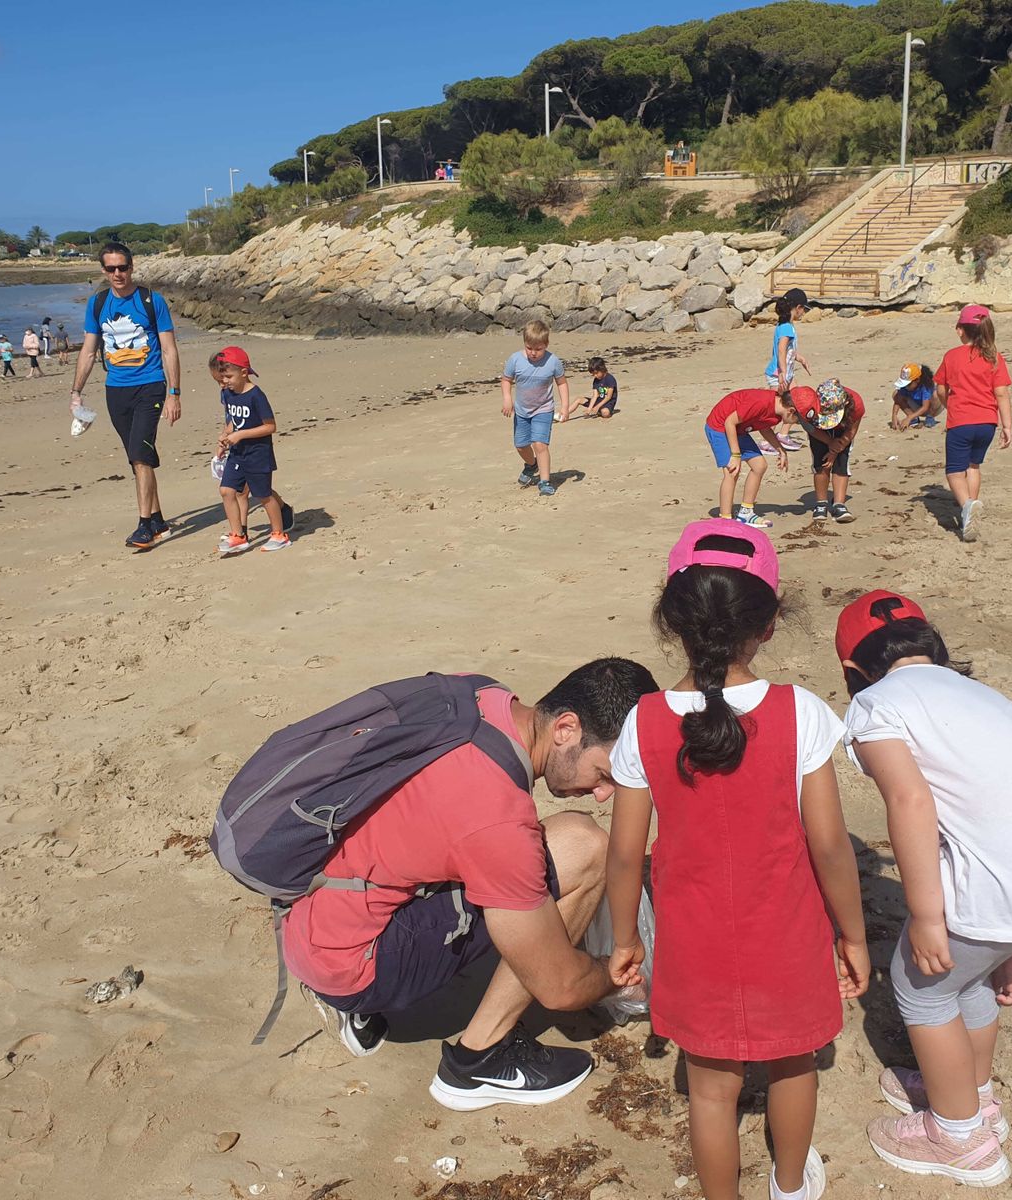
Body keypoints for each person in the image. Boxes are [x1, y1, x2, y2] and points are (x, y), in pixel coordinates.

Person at [606, 520, 869, 1200]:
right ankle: (789, 1184)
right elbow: (831, 845)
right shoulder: (800, 713)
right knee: (792, 1065)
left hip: (695, 940)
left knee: (711, 1090)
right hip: (786, 932)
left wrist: (629, 938)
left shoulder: (644, 719)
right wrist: (854, 934)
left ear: (672, 620)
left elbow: (625, 853)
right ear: (770, 622)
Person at [281, 658, 661, 1110]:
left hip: (307, 905)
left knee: (479, 859)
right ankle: (479, 1061)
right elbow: (560, 988)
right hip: (352, 965)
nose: (603, 794)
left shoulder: (477, 694)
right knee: (583, 846)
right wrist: (615, 975)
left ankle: (357, 997)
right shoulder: (496, 818)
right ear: (565, 728)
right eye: (603, 774)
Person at [835, 590, 1012, 1188]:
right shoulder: (981, 694)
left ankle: (957, 1138)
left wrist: (926, 915)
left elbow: (909, 800)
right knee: (967, 974)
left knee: (919, 985)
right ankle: (972, 1098)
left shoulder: (875, 705)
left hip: (1009, 877)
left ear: (853, 671)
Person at [68, 241, 183, 551]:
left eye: (123, 267)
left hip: (151, 385)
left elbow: (170, 348)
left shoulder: (151, 301)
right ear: (103, 270)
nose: (118, 273)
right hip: (116, 390)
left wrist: (174, 393)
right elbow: (89, 351)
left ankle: (145, 526)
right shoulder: (97, 304)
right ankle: (158, 521)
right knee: (137, 459)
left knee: (140, 455)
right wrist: (76, 393)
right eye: (111, 268)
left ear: (132, 267)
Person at [934, 305, 1012, 543]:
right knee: (973, 466)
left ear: (960, 330)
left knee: (954, 472)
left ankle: (968, 507)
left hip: (961, 421)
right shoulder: (994, 357)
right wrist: (1007, 425)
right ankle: (971, 509)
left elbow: (940, 390)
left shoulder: (952, 356)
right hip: (987, 423)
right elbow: (1002, 394)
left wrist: (952, 406)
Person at [206, 354, 294, 548]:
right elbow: (232, 421)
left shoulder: (256, 395)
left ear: (244, 373)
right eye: (221, 379)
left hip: (257, 453)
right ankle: (238, 535)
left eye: (228, 377)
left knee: (263, 494)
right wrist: (224, 438)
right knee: (226, 490)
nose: (224, 383)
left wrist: (241, 435)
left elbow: (270, 426)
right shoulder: (228, 394)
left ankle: (279, 535)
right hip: (237, 453)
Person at [704, 387, 795, 529]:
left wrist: (780, 450)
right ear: (791, 411)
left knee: (759, 466)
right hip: (720, 426)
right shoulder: (760, 402)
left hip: (738, 429)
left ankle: (746, 513)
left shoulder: (776, 414)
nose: (794, 423)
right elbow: (729, 422)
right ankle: (725, 519)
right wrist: (735, 455)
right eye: (796, 420)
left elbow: (764, 428)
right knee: (732, 470)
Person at [500, 319, 569, 498]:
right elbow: (506, 380)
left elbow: (561, 383)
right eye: (530, 348)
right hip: (522, 411)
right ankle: (531, 465)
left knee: (540, 444)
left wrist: (565, 406)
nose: (533, 353)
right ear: (524, 343)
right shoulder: (515, 359)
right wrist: (507, 398)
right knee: (521, 445)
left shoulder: (553, 361)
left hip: (543, 410)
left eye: (538, 349)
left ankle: (544, 481)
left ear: (546, 344)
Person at [790, 379, 863, 523]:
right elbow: (810, 429)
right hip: (818, 430)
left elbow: (851, 431)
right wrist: (829, 443)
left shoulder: (857, 404)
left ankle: (839, 504)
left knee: (841, 463)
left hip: (844, 431)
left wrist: (836, 450)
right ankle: (821, 503)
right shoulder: (808, 405)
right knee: (821, 463)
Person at [766, 288, 810, 452]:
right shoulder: (786, 328)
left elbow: (789, 351)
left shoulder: (786, 325)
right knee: (777, 408)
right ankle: (770, 440)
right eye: (804, 309)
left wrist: (800, 358)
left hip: (787, 375)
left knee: (796, 401)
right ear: (797, 307)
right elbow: (782, 349)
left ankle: (782, 436)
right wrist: (783, 372)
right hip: (779, 375)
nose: (804, 313)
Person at [889, 363, 938, 431]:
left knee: (935, 394)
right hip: (917, 406)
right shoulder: (905, 387)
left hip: (932, 408)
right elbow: (898, 398)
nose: (906, 387)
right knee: (895, 394)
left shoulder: (926, 386)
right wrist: (894, 415)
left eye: (908, 384)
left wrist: (909, 418)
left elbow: (925, 407)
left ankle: (930, 417)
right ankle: (914, 418)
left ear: (917, 380)